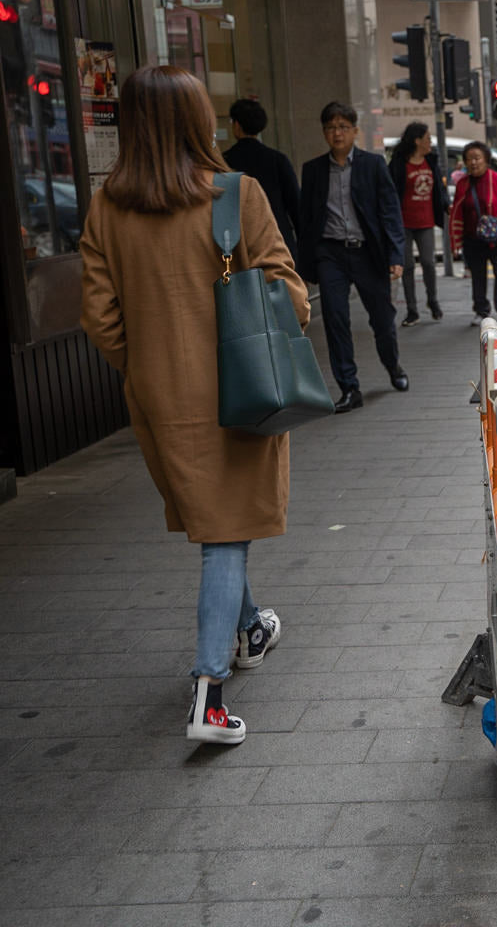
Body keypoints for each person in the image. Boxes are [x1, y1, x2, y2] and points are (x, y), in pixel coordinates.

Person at [79, 65, 304, 745]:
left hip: (159, 396)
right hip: (240, 390)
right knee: (224, 535)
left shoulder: (108, 209)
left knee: (216, 524)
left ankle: (251, 626)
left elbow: (99, 316)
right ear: (193, 120)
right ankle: (208, 695)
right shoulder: (234, 194)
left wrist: (148, 361)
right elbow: (286, 294)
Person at [297, 101, 408, 414]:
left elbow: (390, 211)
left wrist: (395, 254)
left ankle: (393, 366)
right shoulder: (314, 170)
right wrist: (306, 264)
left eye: (343, 127)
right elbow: (307, 219)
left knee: (383, 320)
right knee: (335, 319)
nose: (337, 133)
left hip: (367, 253)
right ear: (324, 132)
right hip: (330, 254)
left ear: (355, 131)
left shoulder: (373, 165)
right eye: (331, 127)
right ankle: (349, 387)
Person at [450, 141, 497, 327]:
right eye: (469, 159)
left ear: (486, 160)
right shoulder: (462, 184)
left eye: (477, 158)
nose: (473, 163)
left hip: (495, 238)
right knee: (478, 276)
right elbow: (457, 212)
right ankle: (481, 311)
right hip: (471, 238)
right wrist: (455, 241)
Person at [223, 98, 300, 262]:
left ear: (236, 125)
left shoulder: (225, 161)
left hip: (240, 241)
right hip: (278, 237)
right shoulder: (277, 159)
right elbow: (295, 204)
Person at [387, 122, 449, 326]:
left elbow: (438, 187)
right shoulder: (398, 163)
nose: (430, 142)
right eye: (427, 139)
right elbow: (390, 192)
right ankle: (412, 310)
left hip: (426, 221)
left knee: (429, 263)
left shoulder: (431, 161)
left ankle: (433, 301)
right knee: (408, 266)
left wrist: (445, 205)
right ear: (417, 141)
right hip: (403, 223)